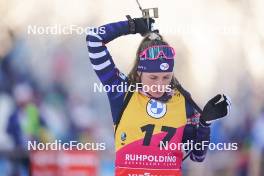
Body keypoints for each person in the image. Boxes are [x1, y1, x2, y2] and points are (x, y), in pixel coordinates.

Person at [86, 17, 231, 176]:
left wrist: (204, 124)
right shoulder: (122, 91)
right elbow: (94, 38)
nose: (159, 85)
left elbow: (198, 156)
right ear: (140, 72)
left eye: (166, 77)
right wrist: (132, 26)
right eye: (153, 78)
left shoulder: (182, 101)